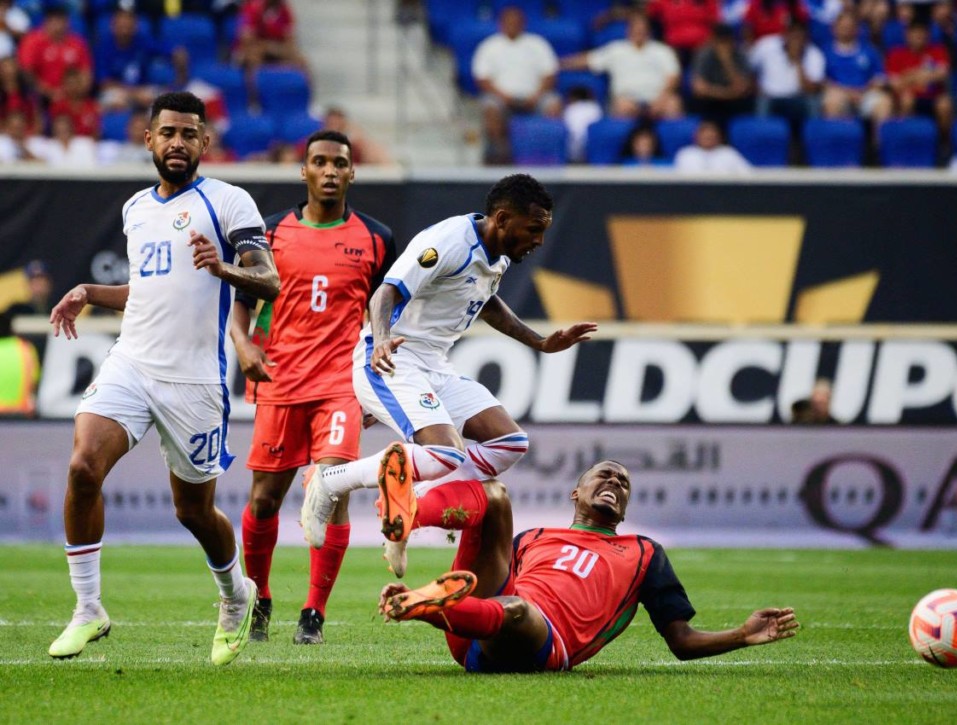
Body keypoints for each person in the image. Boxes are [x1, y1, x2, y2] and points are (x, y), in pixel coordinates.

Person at [46, 91, 280, 665]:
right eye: (167, 132)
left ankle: (233, 597)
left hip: (195, 381)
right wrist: (88, 293)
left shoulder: (230, 202)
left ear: (205, 142)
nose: (177, 142)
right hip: (133, 362)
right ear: (148, 139)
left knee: (193, 511)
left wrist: (220, 266)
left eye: (188, 133)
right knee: (82, 468)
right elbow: (145, 291)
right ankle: (88, 608)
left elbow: (269, 280)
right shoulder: (136, 209)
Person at [300, 174, 598, 575]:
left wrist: (540, 342)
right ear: (503, 218)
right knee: (445, 452)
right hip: (392, 357)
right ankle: (330, 480)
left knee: (510, 442)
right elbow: (386, 291)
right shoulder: (448, 241)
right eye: (534, 230)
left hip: (435, 366)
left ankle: (410, 502)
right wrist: (384, 340)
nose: (539, 241)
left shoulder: (500, 253)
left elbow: (486, 302)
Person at [377, 459, 800, 672]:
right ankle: (408, 518)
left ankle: (428, 607)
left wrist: (741, 635)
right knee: (495, 495)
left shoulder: (644, 553)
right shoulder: (532, 538)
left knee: (518, 608)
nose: (615, 483)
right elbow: (495, 565)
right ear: (575, 493)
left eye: (624, 484)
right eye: (605, 476)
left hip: (545, 643)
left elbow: (681, 640)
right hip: (474, 637)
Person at [229, 129, 397, 645]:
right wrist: (243, 344)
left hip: (340, 385)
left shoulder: (377, 238)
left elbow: (389, 311)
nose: (329, 171)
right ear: (303, 171)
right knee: (263, 501)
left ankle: (313, 614)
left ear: (352, 173)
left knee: (331, 488)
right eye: (319, 162)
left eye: (339, 163)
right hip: (279, 380)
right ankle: (261, 599)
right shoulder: (271, 232)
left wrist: (375, 382)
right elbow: (240, 298)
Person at [471, 5, 562, 165]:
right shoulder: (489, 46)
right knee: (490, 106)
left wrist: (537, 95)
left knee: (553, 104)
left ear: (523, 23)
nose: (512, 25)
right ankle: (499, 154)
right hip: (501, 97)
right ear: (501, 23)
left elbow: (550, 74)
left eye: (516, 22)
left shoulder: (537, 44)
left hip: (535, 96)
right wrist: (504, 96)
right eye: (509, 22)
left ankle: (546, 154)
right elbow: (482, 78)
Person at [561, 11, 684, 120]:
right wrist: (560, 64)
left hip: (659, 98)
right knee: (622, 106)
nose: (639, 32)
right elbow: (588, 60)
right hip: (627, 99)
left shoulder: (662, 51)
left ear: (649, 31)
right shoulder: (616, 49)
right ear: (628, 31)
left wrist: (660, 100)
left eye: (642, 29)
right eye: (636, 29)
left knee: (673, 105)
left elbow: (673, 77)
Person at [821, 11, 892, 129]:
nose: (846, 30)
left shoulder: (869, 50)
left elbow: (880, 78)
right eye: (843, 27)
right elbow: (822, 81)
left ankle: (878, 145)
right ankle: (838, 142)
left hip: (865, 94)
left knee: (884, 102)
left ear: (856, 29)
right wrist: (847, 93)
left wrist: (864, 91)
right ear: (834, 28)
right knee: (831, 101)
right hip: (840, 94)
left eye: (850, 27)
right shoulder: (825, 52)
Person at [749, 20, 825, 129]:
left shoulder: (814, 54)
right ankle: (762, 135)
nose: (795, 40)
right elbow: (750, 70)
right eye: (792, 35)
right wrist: (757, 88)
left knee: (813, 103)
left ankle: (812, 138)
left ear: (805, 38)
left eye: (799, 36)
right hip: (770, 97)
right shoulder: (766, 46)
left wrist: (798, 61)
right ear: (784, 35)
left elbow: (811, 89)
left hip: (799, 99)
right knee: (761, 102)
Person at [885, 19, 953, 136]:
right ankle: (907, 136)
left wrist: (910, 75)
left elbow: (943, 74)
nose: (918, 36)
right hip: (908, 96)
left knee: (945, 104)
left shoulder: (938, 51)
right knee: (907, 100)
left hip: (934, 96)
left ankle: (943, 142)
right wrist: (924, 74)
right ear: (907, 35)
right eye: (915, 33)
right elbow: (895, 84)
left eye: (922, 34)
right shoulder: (896, 54)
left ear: (928, 35)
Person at [15, 5, 93, 103]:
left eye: (61, 21)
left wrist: (76, 92)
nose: (58, 25)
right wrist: (49, 93)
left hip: (73, 97)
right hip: (42, 98)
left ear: (67, 22)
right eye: (54, 21)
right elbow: (27, 72)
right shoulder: (32, 41)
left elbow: (86, 73)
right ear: (46, 22)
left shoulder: (77, 43)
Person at [690, 23, 756, 127]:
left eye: (726, 41)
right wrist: (727, 93)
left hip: (735, 103)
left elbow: (741, 88)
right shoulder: (704, 55)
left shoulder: (740, 55)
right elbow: (699, 89)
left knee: (746, 102)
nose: (723, 46)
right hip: (711, 102)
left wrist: (726, 61)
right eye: (719, 41)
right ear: (713, 40)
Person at [674, 119, 752, 172]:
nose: (708, 140)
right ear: (697, 137)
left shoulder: (728, 153)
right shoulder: (686, 154)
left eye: (711, 137)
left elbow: (748, 174)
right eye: (705, 137)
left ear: (718, 137)